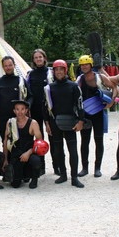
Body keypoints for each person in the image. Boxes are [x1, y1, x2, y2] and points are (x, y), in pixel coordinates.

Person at [43, 59, 85, 188]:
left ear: (65, 70)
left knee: (73, 150)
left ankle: (74, 177)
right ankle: (63, 174)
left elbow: (80, 105)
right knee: (58, 150)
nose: (59, 72)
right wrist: (47, 123)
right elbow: (46, 107)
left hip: (70, 121)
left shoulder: (73, 86)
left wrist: (81, 121)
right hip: (54, 122)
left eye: (61, 69)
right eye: (56, 70)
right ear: (53, 72)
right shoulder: (49, 88)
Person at [76, 55, 117, 178]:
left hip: (99, 113)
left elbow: (115, 87)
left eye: (86, 64)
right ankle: (84, 168)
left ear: (91, 65)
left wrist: (111, 102)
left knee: (98, 140)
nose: (84, 67)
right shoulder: (79, 80)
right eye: (82, 65)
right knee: (85, 141)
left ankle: (97, 168)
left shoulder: (100, 77)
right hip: (86, 114)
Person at [25, 49, 56, 175]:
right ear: (33, 60)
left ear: (44, 58)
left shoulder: (51, 72)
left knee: (53, 137)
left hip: (49, 109)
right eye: (36, 57)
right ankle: (41, 166)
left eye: (40, 57)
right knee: (39, 139)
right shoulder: (30, 75)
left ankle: (57, 165)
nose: (38, 59)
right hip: (35, 109)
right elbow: (28, 93)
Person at [3, 100, 43, 189]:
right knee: (15, 185)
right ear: (14, 111)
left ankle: (34, 178)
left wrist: (28, 153)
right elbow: (5, 141)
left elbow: (40, 142)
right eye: (17, 109)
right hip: (16, 153)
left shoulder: (33, 123)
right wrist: (5, 159)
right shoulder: (10, 122)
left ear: (26, 110)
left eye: (22, 109)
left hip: (29, 151)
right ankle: (23, 175)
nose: (20, 112)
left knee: (36, 161)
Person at [0, 56, 32, 141]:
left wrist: (26, 108)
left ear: (14, 65)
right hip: (3, 118)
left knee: (21, 141)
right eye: (6, 66)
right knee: (5, 142)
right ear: (3, 67)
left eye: (10, 65)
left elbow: (30, 96)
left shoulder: (21, 80)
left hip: (19, 117)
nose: (8, 67)